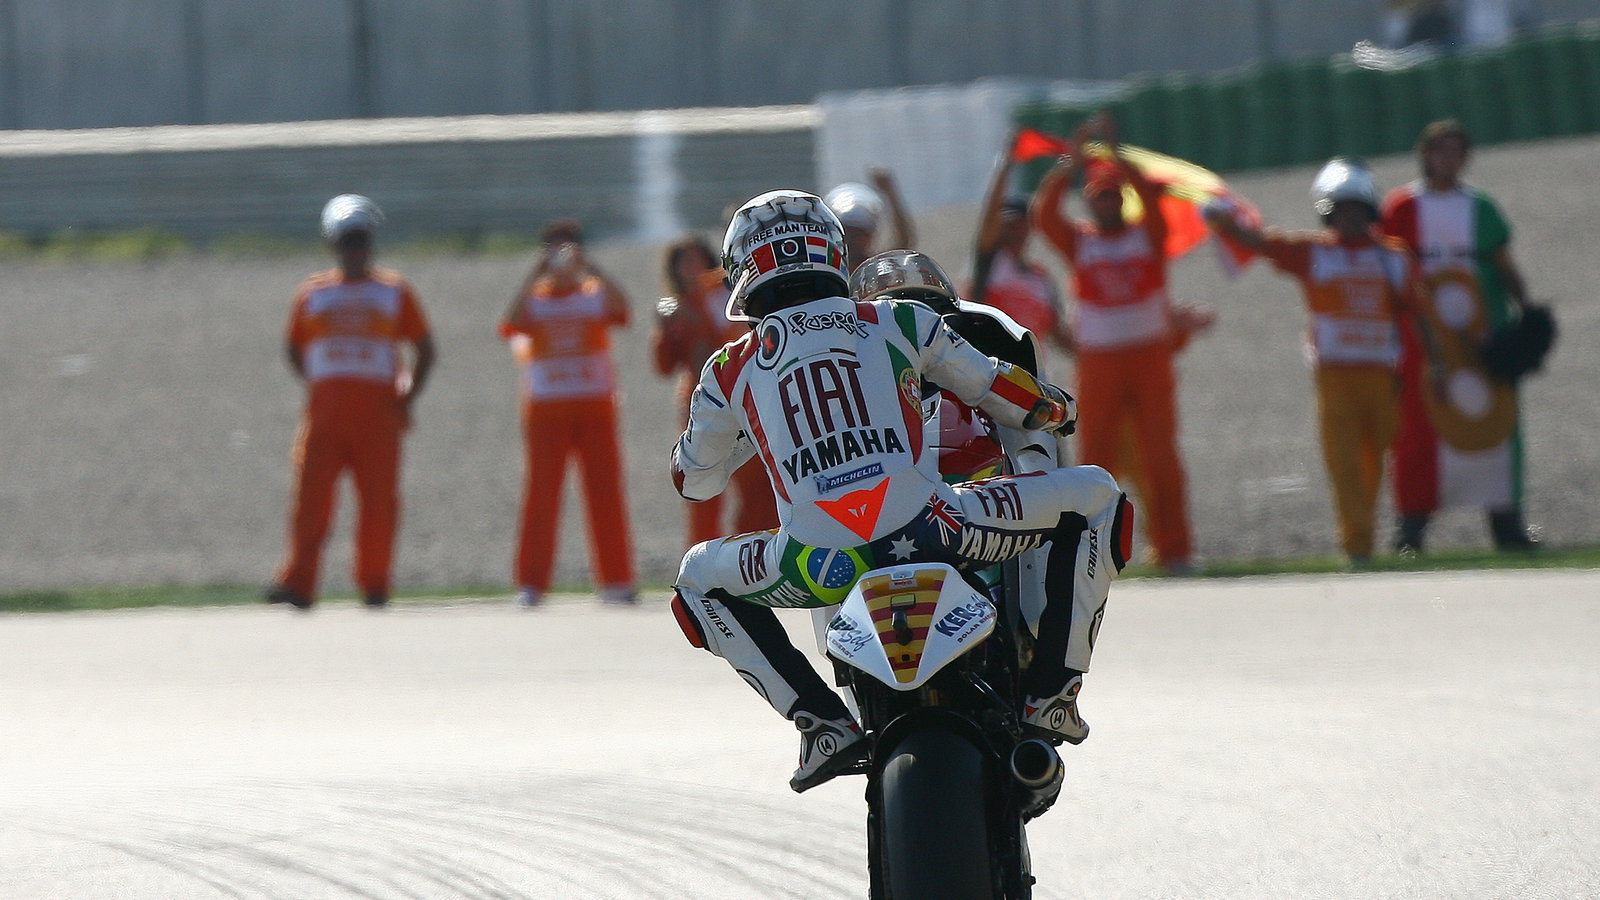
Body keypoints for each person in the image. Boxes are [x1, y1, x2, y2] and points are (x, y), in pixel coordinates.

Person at [668, 190, 1132, 793]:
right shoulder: (898, 320)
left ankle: (820, 722)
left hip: (816, 565)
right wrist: (1054, 406)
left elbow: (693, 482)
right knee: (1098, 496)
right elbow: (997, 389)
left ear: (741, 275)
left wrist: (749, 432)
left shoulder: (729, 369)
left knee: (695, 580)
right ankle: (1053, 693)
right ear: (831, 253)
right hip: (938, 530)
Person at [1207, 158, 1436, 563]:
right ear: (1329, 213)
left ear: (1369, 212)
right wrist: (1225, 224)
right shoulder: (1313, 253)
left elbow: (1417, 313)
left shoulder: (1393, 257)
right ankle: (1357, 546)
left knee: (1374, 460)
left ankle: (1365, 534)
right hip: (1334, 377)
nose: (1349, 218)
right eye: (1341, 210)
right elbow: (1262, 242)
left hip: (1383, 378)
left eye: (1356, 210)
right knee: (1343, 462)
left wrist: (1436, 362)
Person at [1032, 113, 1197, 573]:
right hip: (1099, 363)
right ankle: (1092, 553)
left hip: (1150, 358)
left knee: (1160, 454)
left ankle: (1176, 549)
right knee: (1097, 457)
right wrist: (1072, 159)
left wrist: (1118, 156)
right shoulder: (1080, 243)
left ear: (1121, 197)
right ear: (1089, 203)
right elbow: (1043, 213)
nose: (1105, 203)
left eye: (1111, 195)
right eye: (1097, 197)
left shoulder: (1148, 235)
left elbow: (1153, 197)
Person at [267, 194, 435, 610]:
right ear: (332, 244)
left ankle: (375, 584)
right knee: (309, 505)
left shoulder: (394, 291)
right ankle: (298, 584)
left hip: (379, 417)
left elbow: (424, 348)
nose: (355, 250)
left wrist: (407, 396)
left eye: (361, 240)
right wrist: (317, 382)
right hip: (324, 418)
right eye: (347, 241)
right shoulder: (312, 293)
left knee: (379, 506)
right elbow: (292, 346)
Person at [1380, 120, 1538, 552]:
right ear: (1426, 154)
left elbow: (1503, 265)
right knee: (1417, 430)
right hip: (1422, 340)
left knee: (1498, 424)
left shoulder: (1481, 207)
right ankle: (1411, 530)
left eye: (1457, 151)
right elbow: (1389, 277)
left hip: (1484, 335)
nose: (1449, 159)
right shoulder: (1402, 207)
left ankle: (1507, 527)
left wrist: (1528, 310)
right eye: (1441, 151)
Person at [500, 220, 638, 606]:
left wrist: (591, 267)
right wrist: (536, 272)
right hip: (546, 409)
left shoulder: (593, 294)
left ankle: (617, 580)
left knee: (605, 494)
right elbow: (511, 323)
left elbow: (624, 309)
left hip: (595, 406)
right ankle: (530, 583)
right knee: (541, 495)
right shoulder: (536, 297)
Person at [651, 234, 777, 545]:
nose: (690, 268)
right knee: (700, 488)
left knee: (756, 489)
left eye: (695, 260)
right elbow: (665, 365)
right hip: (699, 404)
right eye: (683, 262)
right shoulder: (680, 306)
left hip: (747, 400)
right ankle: (702, 560)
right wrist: (666, 330)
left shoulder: (731, 292)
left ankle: (755, 554)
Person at [970, 145, 1073, 365]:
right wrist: (1005, 167)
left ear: (1029, 227)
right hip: (990, 371)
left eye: (1019, 224)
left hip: (1033, 378)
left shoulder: (1041, 279)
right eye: (1007, 224)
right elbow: (987, 218)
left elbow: (1058, 335)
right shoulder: (990, 264)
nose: (1013, 230)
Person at [823, 167, 916, 272]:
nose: (852, 240)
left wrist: (890, 193)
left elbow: (904, 242)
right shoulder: (825, 266)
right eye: (847, 232)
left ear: (870, 235)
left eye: (859, 234)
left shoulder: (876, 267)